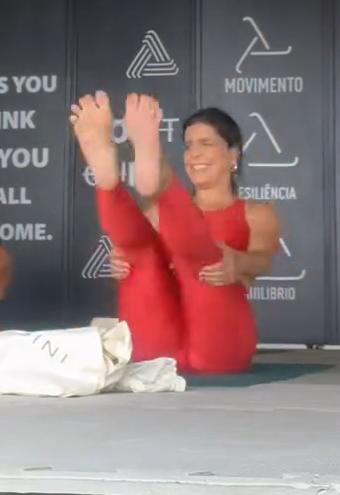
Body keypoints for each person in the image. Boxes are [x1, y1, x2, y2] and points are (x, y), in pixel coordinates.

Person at [72, 91, 279, 375]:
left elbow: (262, 261)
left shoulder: (255, 213)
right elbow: (138, 256)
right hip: (160, 348)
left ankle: (137, 177)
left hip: (219, 341)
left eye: (206, 143)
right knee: (140, 258)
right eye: (189, 146)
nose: (195, 154)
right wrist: (122, 262)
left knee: (205, 263)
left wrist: (236, 262)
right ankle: (108, 182)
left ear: (234, 153)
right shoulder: (156, 214)